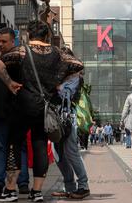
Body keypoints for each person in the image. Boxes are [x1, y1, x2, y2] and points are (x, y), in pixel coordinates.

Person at [0, 20, 83, 202]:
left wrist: (9, 83)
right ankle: (37, 192)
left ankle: (10, 190)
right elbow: (78, 66)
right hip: (46, 107)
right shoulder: (58, 53)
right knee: (40, 145)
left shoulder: (22, 51)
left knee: (14, 144)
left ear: (28, 34)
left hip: (23, 104)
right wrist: (59, 83)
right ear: (47, 35)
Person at [0, 28, 30, 195]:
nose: (0, 44)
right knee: (0, 147)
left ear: (13, 41)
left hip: (18, 110)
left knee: (20, 147)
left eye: (4, 41)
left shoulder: (21, 59)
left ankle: (23, 183)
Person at [51, 48, 91, 200]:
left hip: (68, 116)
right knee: (59, 155)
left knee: (71, 152)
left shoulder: (75, 76)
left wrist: (56, 86)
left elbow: (65, 94)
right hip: (56, 117)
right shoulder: (60, 76)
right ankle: (70, 187)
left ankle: (83, 186)